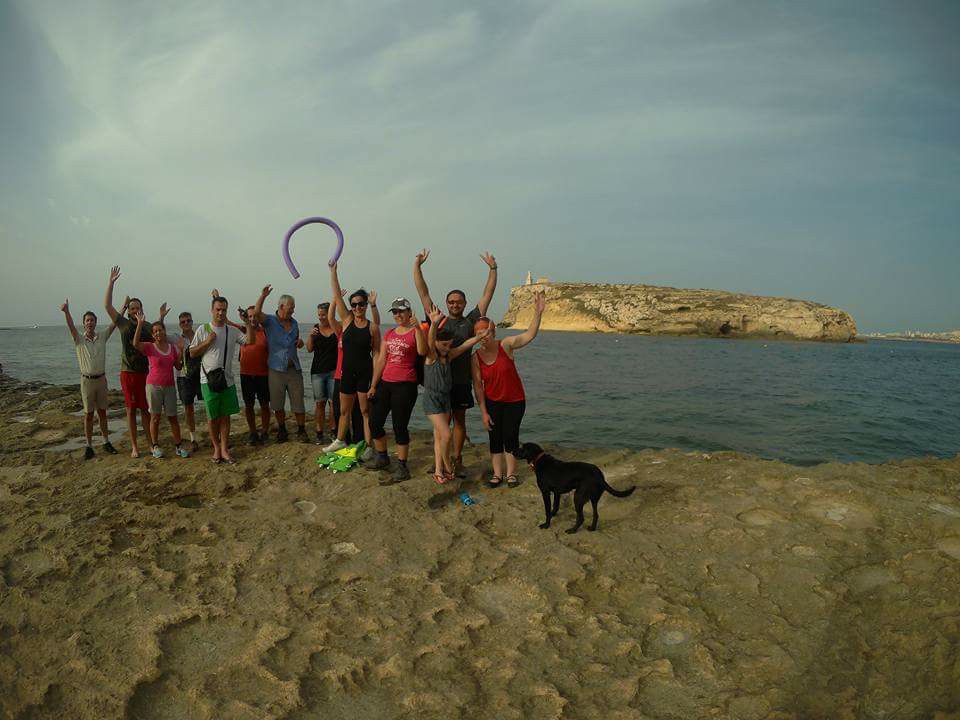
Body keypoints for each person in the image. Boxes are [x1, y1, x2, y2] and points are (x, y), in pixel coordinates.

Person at [413, 249, 498, 475]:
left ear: (464, 303)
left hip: (460, 380)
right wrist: (417, 266)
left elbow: (487, 294)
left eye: (458, 302)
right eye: (451, 302)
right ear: (446, 303)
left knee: (459, 422)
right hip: (439, 384)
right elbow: (423, 292)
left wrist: (493, 269)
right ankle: (441, 461)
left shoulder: (471, 320)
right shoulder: (438, 319)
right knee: (442, 424)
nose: (454, 305)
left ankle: (457, 459)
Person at [472, 290, 546, 488]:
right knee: (495, 439)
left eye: (486, 332)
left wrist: (538, 313)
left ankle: (511, 474)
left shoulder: (506, 345)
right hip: (492, 402)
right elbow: (478, 387)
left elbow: (529, 335)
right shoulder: (475, 358)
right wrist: (483, 412)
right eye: (479, 333)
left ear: (493, 332)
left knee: (510, 437)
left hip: (515, 401)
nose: (483, 336)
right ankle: (497, 475)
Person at [422, 304, 487, 483]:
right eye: (444, 345)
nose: (446, 348)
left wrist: (478, 337)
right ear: (436, 343)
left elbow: (465, 345)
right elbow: (430, 340)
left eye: (449, 345)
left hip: (445, 399)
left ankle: (438, 471)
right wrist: (434, 323)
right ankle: (448, 467)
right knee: (446, 434)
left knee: (439, 436)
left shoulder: (448, 356)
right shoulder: (431, 356)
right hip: (432, 400)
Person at [323, 262, 380, 458]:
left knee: (365, 412)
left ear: (365, 305)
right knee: (343, 411)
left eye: (361, 304)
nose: (357, 307)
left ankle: (369, 446)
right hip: (347, 373)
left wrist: (374, 383)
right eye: (354, 304)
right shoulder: (346, 321)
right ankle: (339, 441)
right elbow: (337, 295)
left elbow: (377, 355)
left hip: (364, 374)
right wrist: (333, 271)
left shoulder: (372, 328)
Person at [189, 295, 254, 464]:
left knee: (225, 416)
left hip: (227, 380)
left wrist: (247, 323)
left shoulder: (231, 331)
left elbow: (249, 341)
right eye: (218, 309)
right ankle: (216, 448)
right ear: (212, 310)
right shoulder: (203, 329)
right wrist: (207, 342)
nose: (220, 313)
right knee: (212, 417)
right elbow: (192, 352)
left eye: (224, 310)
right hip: (208, 380)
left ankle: (224, 449)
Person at [367, 298, 426, 483]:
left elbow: (422, 351)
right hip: (385, 383)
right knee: (375, 422)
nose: (398, 315)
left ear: (409, 312)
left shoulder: (415, 331)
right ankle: (382, 456)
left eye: (401, 311)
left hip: (405, 385)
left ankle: (402, 466)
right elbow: (381, 360)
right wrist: (373, 385)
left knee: (399, 426)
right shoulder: (390, 333)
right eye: (395, 312)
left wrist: (418, 328)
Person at [104, 265, 156, 458]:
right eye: (132, 308)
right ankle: (135, 446)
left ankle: (151, 444)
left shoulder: (148, 326)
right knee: (130, 410)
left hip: (145, 373)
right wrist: (111, 283)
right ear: (128, 311)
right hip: (128, 373)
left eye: (138, 308)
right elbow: (107, 306)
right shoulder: (123, 323)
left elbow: (158, 343)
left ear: (142, 309)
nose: (135, 311)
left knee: (145, 410)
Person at [60, 299, 119, 459]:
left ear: (95, 322)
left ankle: (106, 442)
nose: (90, 323)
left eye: (92, 320)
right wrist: (66, 312)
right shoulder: (79, 339)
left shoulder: (102, 336)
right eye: (87, 320)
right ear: (84, 323)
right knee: (88, 414)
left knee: (103, 412)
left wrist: (124, 306)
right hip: (86, 381)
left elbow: (115, 323)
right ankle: (88, 446)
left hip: (101, 380)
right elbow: (71, 326)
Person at [253, 287, 307, 443]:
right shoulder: (270, 321)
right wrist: (263, 296)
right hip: (276, 370)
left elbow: (297, 341)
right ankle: (282, 430)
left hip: (294, 369)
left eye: (294, 307)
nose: (293, 310)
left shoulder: (295, 323)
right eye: (291, 307)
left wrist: (300, 343)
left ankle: (301, 430)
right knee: (277, 403)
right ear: (282, 306)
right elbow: (256, 314)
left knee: (298, 401)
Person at [133, 311, 189, 459]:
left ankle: (178, 446)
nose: (158, 333)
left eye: (160, 330)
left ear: (164, 331)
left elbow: (178, 366)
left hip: (170, 387)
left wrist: (181, 350)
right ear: (153, 335)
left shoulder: (172, 347)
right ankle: (155, 446)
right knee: (155, 417)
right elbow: (135, 344)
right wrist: (139, 324)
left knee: (173, 417)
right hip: (153, 386)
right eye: (155, 331)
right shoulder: (150, 347)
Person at [238, 304, 271, 445]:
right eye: (250, 316)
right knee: (249, 405)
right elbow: (226, 322)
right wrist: (216, 297)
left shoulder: (266, 332)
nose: (252, 318)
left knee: (264, 405)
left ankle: (265, 432)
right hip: (246, 374)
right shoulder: (242, 330)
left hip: (263, 374)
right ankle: (252, 432)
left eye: (255, 316)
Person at [307, 301, 338, 444]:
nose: (321, 317)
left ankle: (333, 431)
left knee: (333, 404)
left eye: (323, 314)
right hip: (318, 372)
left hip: (334, 371)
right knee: (320, 404)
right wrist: (310, 336)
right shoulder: (315, 329)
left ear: (330, 314)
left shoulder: (337, 328)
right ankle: (319, 433)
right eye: (319, 315)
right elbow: (309, 349)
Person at [175, 311, 202, 452]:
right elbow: (177, 365)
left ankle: (215, 434)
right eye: (183, 322)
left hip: (200, 375)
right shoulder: (177, 339)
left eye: (188, 321)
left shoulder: (199, 336)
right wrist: (180, 351)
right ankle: (193, 438)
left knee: (209, 404)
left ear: (192, 322)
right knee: (188, 408)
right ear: (180, 324)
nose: (186, 323)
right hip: (184, 377)